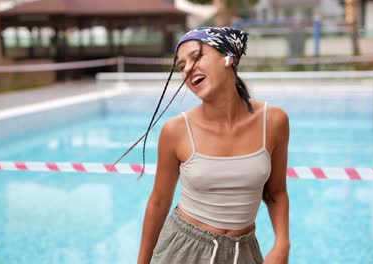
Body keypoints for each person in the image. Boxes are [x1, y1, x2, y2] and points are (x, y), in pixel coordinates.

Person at [118, 27, 290, 264]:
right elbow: (158, 201)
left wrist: (282, 243)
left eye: (196, 57)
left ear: (229, 58)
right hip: (182, 251)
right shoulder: (175, 130)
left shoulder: (274, 121)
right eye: (181, 66)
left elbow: (276, 192)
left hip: (244, 253)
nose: (187, 68)